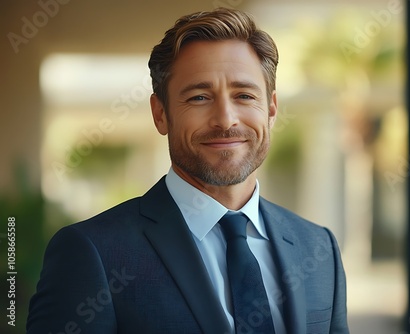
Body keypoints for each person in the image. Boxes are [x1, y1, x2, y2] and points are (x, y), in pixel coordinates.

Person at [27, 7, 349, 334]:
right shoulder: (92, 253)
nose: (225, 119)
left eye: (244, 95)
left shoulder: (319, 249)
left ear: (271, 109)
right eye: (199, 97)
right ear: (160, 114)